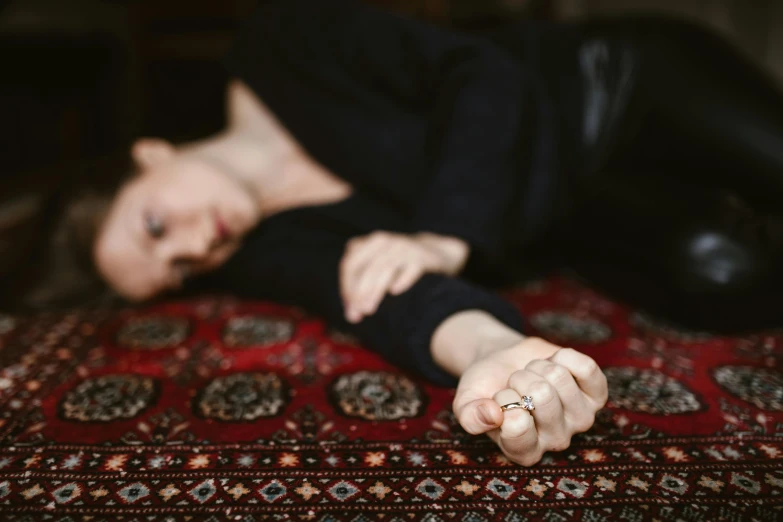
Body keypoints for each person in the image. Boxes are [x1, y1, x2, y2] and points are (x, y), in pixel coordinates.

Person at [21, 1, 783, 466]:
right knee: (722, 273)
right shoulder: (261, 249)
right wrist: (493, 353)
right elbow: (388, 301)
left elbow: (481, 76)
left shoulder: (281, 40)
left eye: (153, 226)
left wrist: (440, 236)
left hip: (606, 85)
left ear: (147, 154)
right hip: (575, 209)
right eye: (176, 273)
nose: (189, 251)